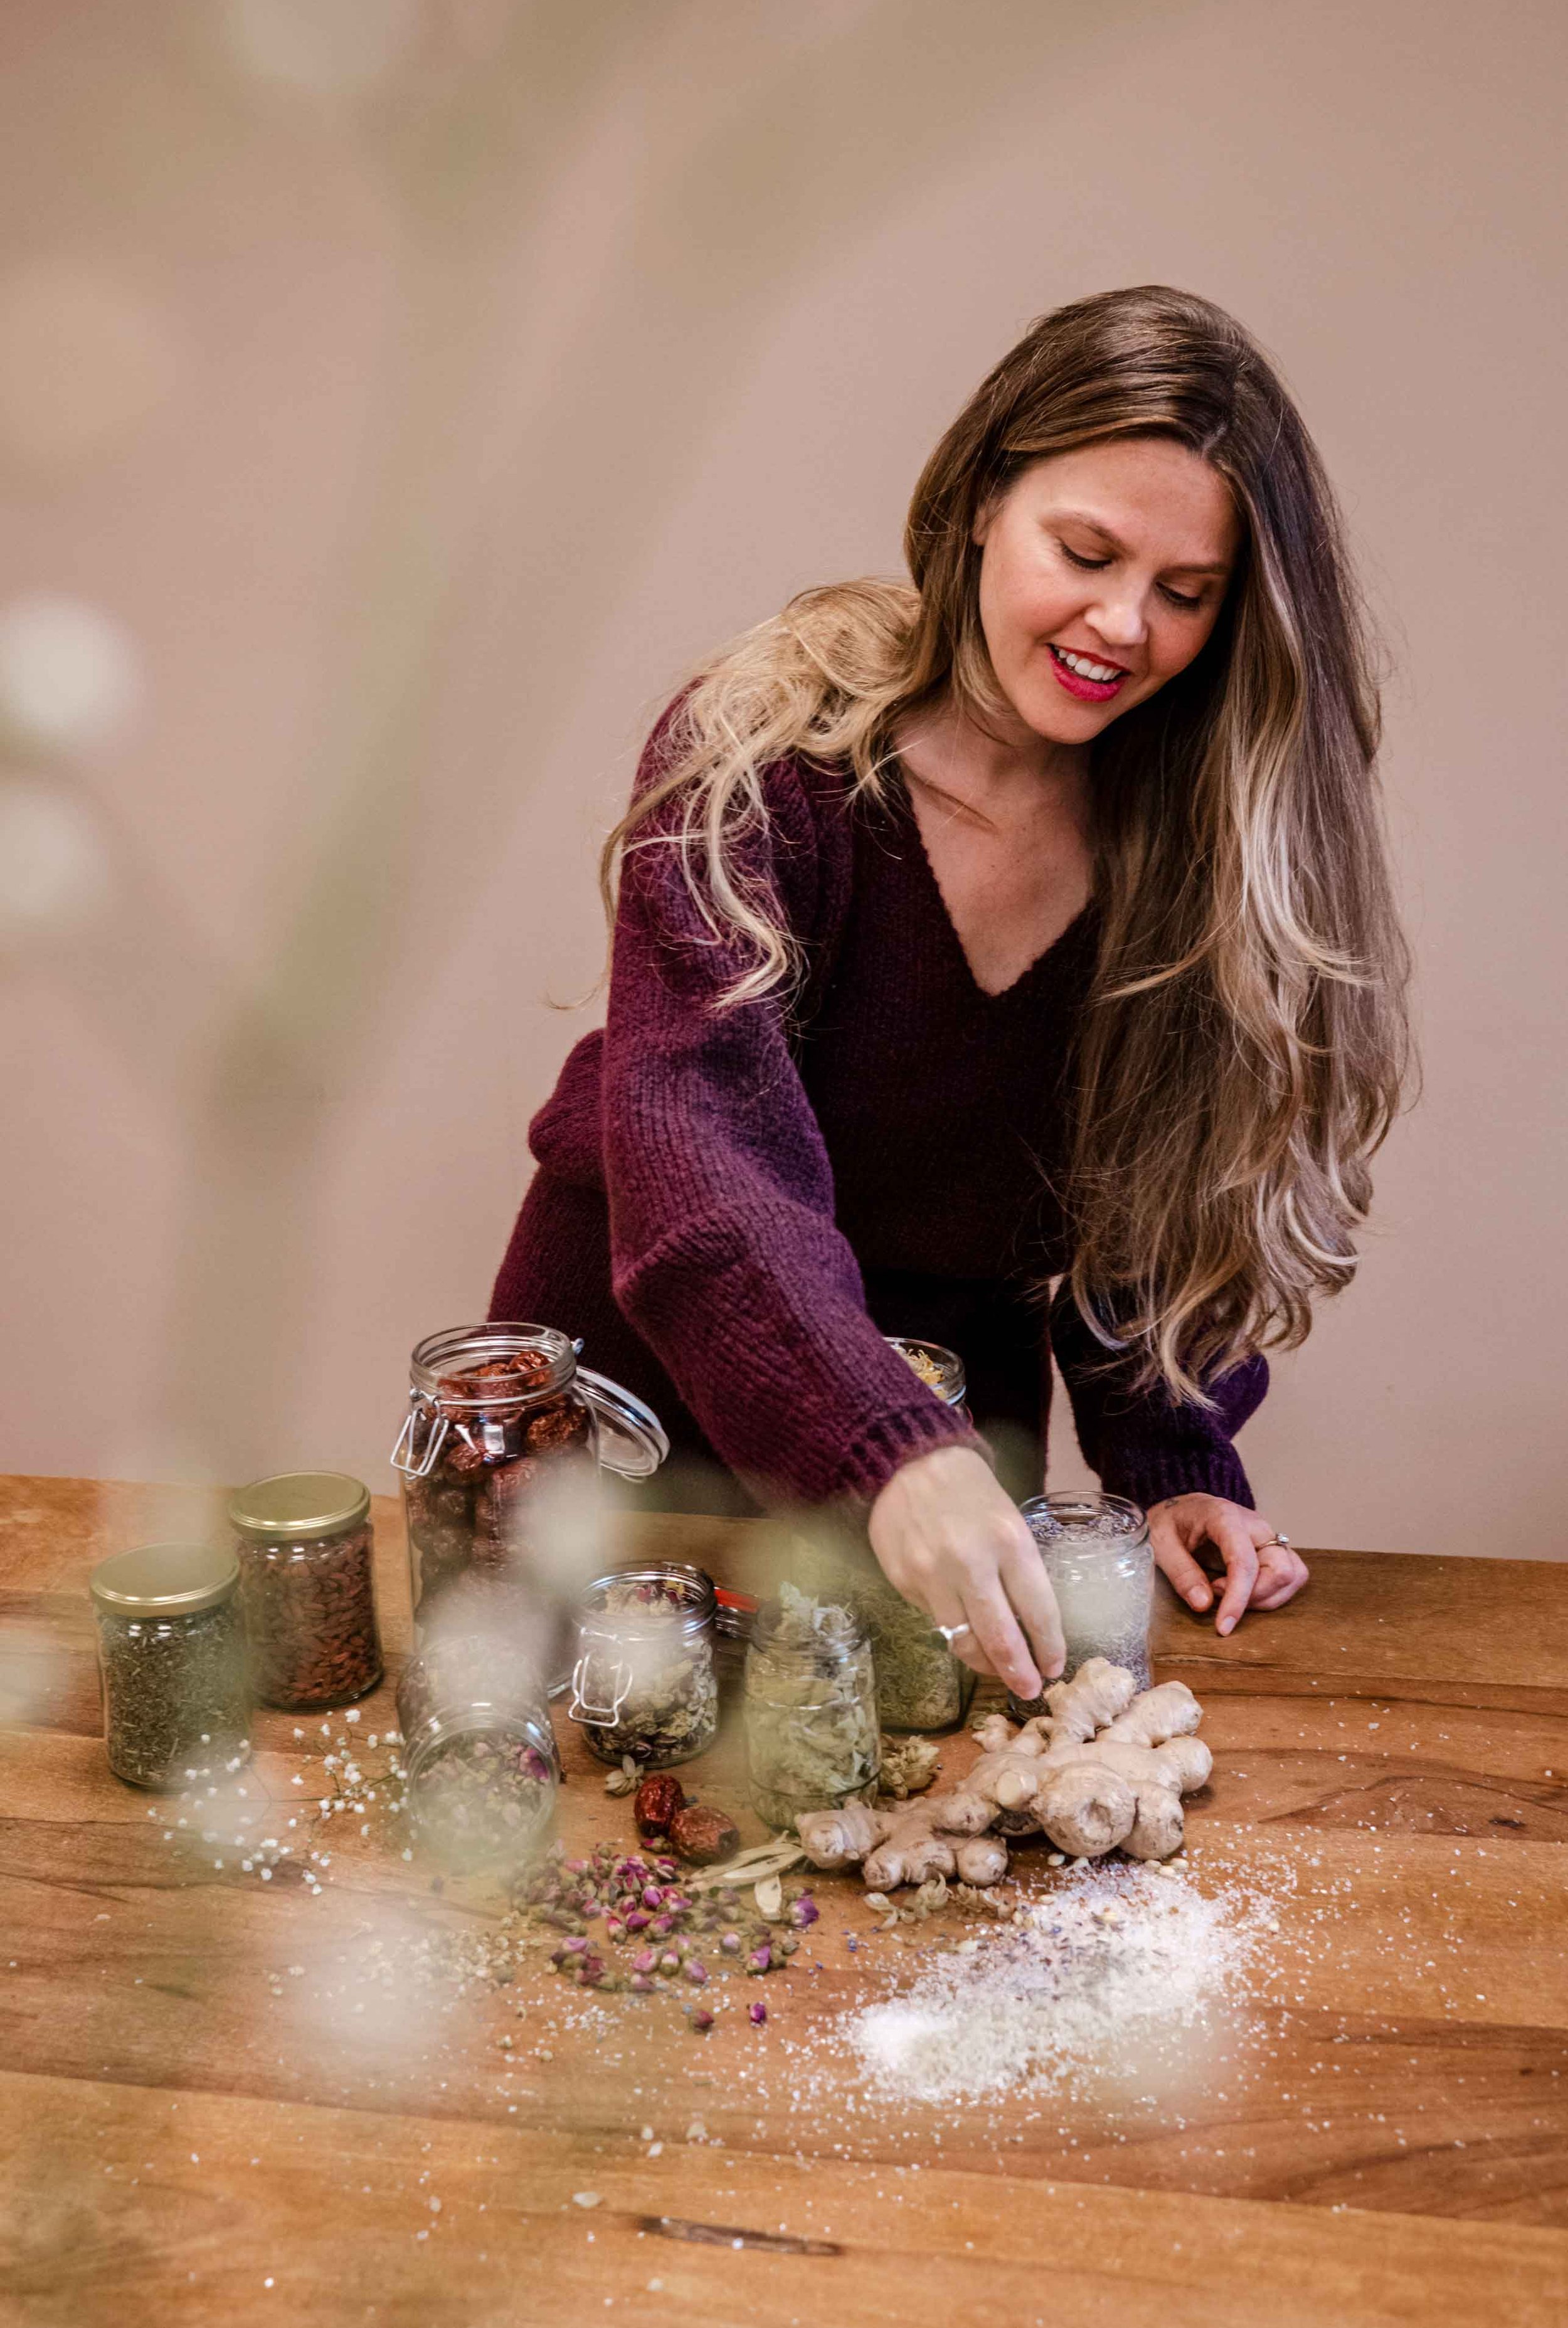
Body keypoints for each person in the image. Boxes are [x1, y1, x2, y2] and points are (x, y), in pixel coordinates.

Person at [491, 285, 1408, 1705]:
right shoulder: (766, 756)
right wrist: (881, 1448)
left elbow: (1147, 1189)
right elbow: (698, 1150)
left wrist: (1167, 1460)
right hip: (647, 1383)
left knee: (903, 1828)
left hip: (949, 1418)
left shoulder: (1186, 843)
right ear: (983, 497)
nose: (1120, 624)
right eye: (1085, 551)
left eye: (1183, 592)